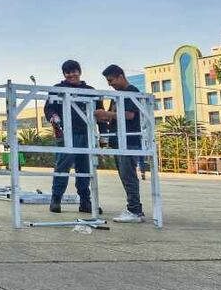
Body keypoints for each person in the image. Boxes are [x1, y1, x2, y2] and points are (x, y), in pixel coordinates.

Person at [44, 59, 100, 214]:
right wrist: (53, 117)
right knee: (62, 167)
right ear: (64, 74)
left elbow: (99, 112)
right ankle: (56, 199)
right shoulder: (57, 89)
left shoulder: (90, 90)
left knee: (85, 168)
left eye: (74, 71)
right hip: (66, 134)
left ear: (79, 72)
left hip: (87, 134)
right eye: (68, 72)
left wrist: (102, 135)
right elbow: (48, 108)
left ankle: (85, 201)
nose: (71, 75)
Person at [96, 64, 146, 223]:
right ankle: (134, 208)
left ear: (120, 76)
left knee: (129, 176)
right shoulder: (117, 96)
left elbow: (130, 115)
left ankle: (134, 211)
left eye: (111, 80)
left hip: (129, 141)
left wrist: (107, 113)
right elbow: (114, 117)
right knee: (125, 177)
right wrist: (104, 117)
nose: (110, 84)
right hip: (119, 141)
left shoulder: (131, 92)